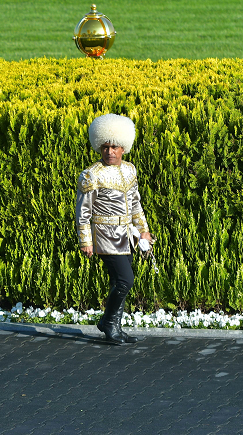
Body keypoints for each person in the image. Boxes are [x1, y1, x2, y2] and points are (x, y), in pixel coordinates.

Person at [75, 113, 153, 345]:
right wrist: (85, 241)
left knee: (119, 282)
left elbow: (136, 204)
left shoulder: (130, 170)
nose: (110, 151)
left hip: (127, 236)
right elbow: (83, 211)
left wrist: (144, 231)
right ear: (99, 147)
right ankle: (109, 322)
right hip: (105, 237)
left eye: (115, 147)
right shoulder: (91, 175)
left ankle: (114, 327)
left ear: (124, 147)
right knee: (125, 280)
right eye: (106, 147)